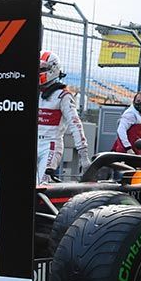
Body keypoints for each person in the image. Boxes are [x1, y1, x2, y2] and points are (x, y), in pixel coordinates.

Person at [37, 50, 91, 182]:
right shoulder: (34, 92)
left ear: (53, 69)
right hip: (33, 143)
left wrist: (83, 156)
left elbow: (75, 124)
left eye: (43, 68)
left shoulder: (63, 95)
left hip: (50, 145)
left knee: (40, 184)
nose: (39, 72)